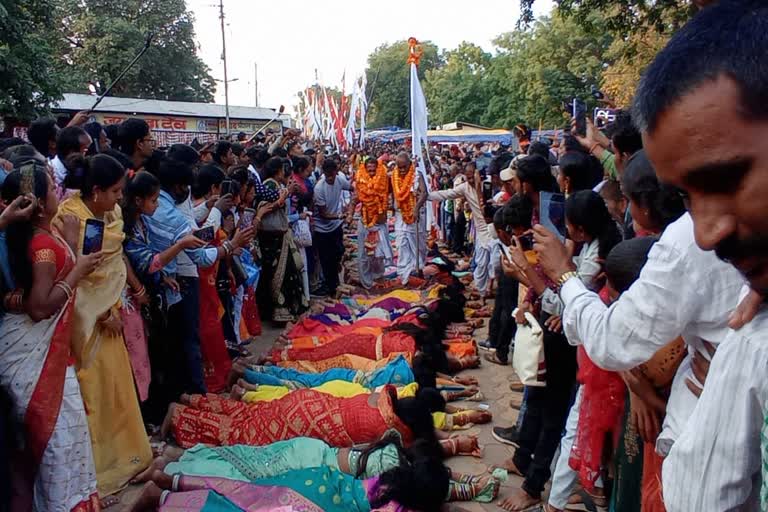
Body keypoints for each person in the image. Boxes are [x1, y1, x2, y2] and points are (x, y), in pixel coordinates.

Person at [0, 163, 102, 511]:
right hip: (34, 357)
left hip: (48, 353)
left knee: (69, 437)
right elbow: (40, 307)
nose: (59, 187)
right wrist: (78, 270)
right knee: (58, 443)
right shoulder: (42, 244)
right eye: (52, 185)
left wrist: (73, 246)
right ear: (38, 204)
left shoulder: (47, 235)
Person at [54, 153, 153, 499]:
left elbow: (111, 269)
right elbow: (75, 278)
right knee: (93, 397)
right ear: (95, 191)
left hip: (111, 315)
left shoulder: (110, 215)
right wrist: (98, 313)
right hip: (86, 324)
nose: (117, 199)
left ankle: (130, 457)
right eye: (113, 192)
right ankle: (97, 475)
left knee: (118, 392)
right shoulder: (69, 218)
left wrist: (115, 306)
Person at [428, 162, 495, 295]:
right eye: (468, 178)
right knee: (481, 264)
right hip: (480, 232)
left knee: (494, 264)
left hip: (493, 231)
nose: (470, 181)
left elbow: (486, 209)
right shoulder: (465, 187)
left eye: (472, 177)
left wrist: (478, 187)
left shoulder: (488, 186)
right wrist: (427, 196)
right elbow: (446, 194)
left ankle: (490, 289)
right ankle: (483, 293)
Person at [256, 157, 307, 322]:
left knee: (289, 272)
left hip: (280, 235)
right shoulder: (269, 185)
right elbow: (267, 208)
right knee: (277, 275)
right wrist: (286, 195)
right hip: (272, 237)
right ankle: (279, 310)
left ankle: (288, 308)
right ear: (278, 171)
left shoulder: (276, 185)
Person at [352, 157, 393, 289]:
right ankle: (367, 283)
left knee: (379, 254)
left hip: (380, 222)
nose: (371, 173)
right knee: (363, 254)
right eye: (368, 170)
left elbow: (392, 194)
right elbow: (355, 199)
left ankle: (378, 277)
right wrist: (349, 214)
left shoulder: (385, 180)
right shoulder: (360, 181)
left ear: (378, 169)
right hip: (365, 221)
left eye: (373, 170)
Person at [312, 159, 352, 297]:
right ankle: (330, 286)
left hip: (336, 226)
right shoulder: (319, 188)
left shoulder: (340, 180)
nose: (330, 178)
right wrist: (341, 216)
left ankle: (334, 282)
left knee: (338, 252)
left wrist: (351, 207)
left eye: (332, 174)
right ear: (324, 172)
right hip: (322, 229)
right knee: (326, 259)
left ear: (336, 172)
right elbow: (323, 214)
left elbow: (353, 188)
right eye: (327, 175)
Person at [391, 152, 427, 285]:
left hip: (415, 215)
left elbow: (424, 193)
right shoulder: (393, 175)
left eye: (404, 167)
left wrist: (416, 207)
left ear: (409, 165)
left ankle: (417, 272)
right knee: (401, 244)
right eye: (399, 167)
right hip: (400, 215)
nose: (401, 170)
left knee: (417, 245)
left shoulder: (417, 175)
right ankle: (405, 275)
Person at [51, 126, 92, 198]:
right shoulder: (50, 173)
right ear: (72, 152)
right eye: (85, 149)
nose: (89, 154)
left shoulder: (83, 169)